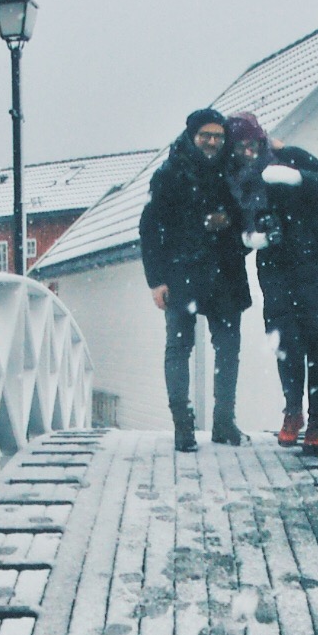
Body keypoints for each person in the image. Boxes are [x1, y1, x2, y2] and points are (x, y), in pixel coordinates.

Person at [227, 115, 318, 452]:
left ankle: (316, 421)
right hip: (277, 268)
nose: (247, 150)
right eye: (240, 145)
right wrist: (250, 238)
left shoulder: (293, 157)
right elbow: (234, 232)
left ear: (262, 140)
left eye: (252, 143)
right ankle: (292, 412)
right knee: (285, 342)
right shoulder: (235, 180)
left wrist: (297, 178)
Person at [137, 108, 250, 450]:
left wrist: (229, 220)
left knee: (228, 349)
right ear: (192, 135)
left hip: (226, 272)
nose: (212, 142)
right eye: (206, 135)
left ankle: (224, 422)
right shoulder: (169, 173)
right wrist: (156, 281)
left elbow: (251, 214)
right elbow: (150, 228)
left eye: (218, 135)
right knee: (179, 347)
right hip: (181, 271)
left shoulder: (234, 170)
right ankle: (182, 426)